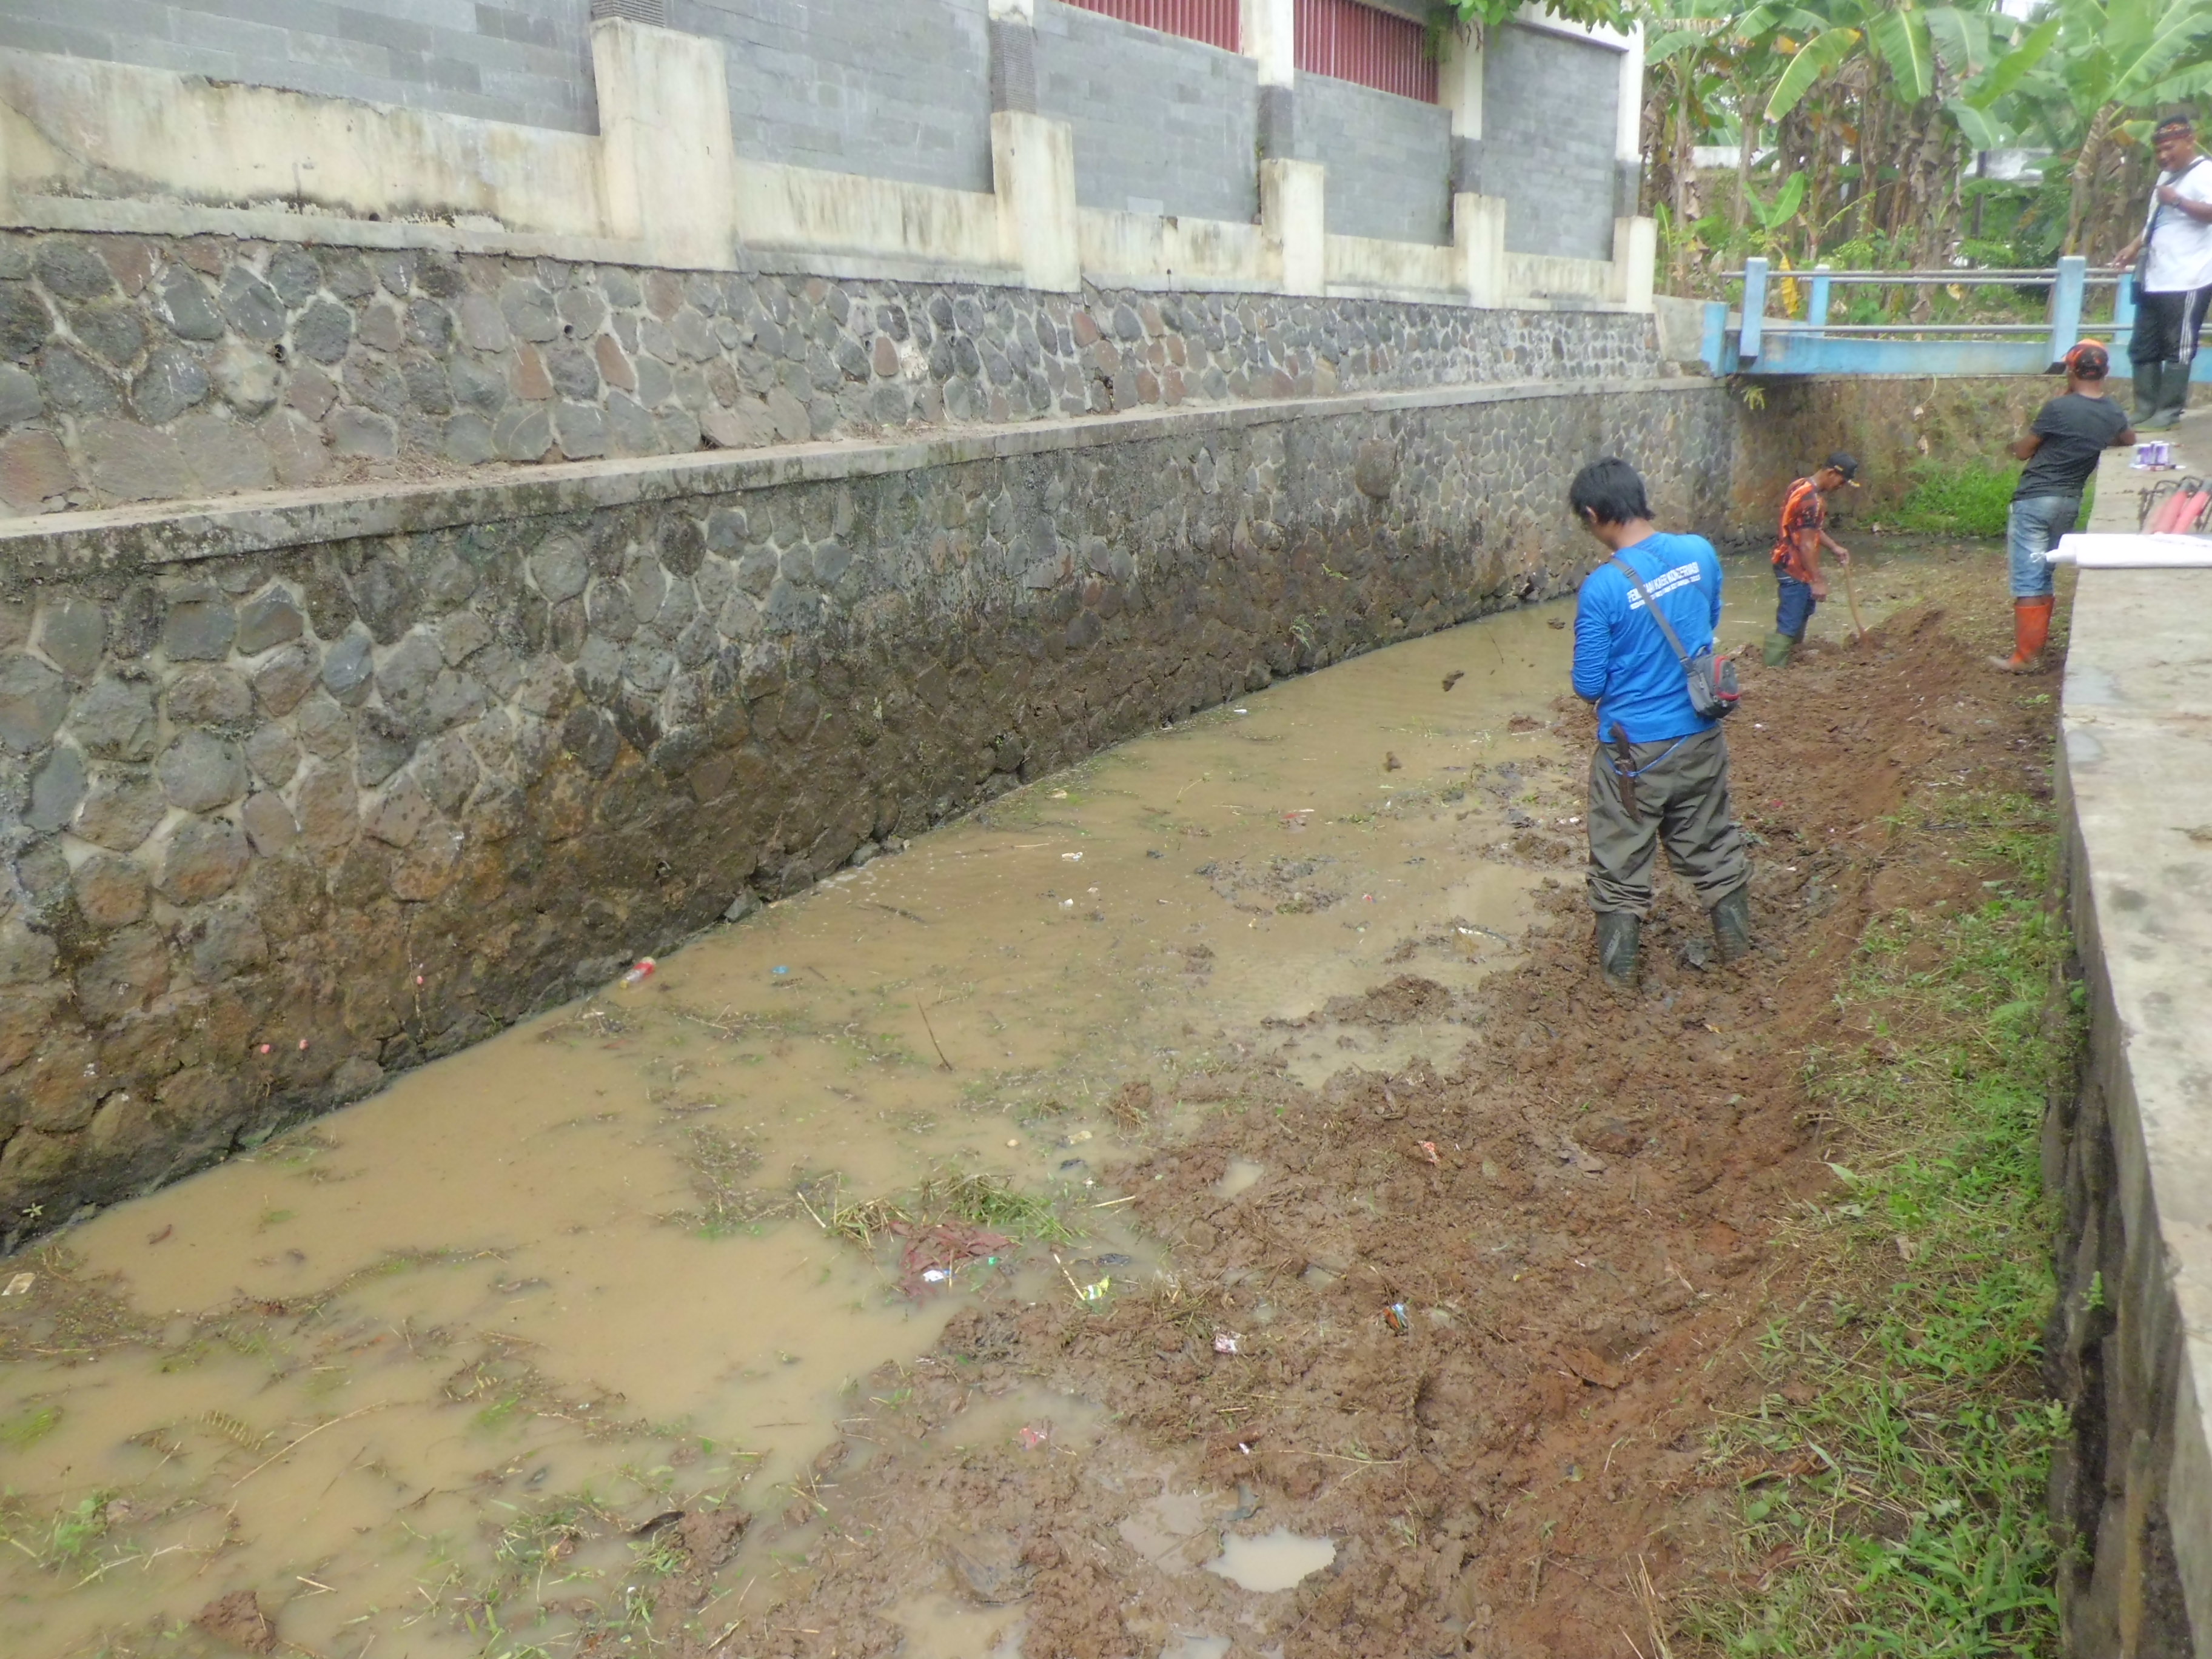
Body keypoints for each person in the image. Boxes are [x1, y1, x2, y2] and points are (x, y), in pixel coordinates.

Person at [1569, 457, 1752, 991]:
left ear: (1593, 515)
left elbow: (1588, 684)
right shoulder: (1699, 552)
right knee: (1712, 845)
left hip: (1634, 755)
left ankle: (1618, 985)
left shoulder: (1603, 587)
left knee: (1620, 862)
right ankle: (1740, 956)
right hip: (1702, 735)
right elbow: (1708, 622)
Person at [1994, 339, 2135, 673]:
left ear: (2071, 370)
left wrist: (2011, 446)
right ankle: (2034, 650)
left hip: (2035, 500)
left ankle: (2026, 657)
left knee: (2029, 578)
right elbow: (2128, 440)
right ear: (2106, 372)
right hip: (2070, 501)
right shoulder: (2113, 412)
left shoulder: (2058, 408)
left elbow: (2024, 451)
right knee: (2045, 571)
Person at [2115, 115, 2212, 432]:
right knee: (2142, 346)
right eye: (2158, 150)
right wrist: (2133, 247)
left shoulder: (2205, 173)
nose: (2163, 156)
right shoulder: (2165, 176)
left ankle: (2168, 413)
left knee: (2178, 348)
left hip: (2188, 277)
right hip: (2155, 277)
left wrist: (2179, 201)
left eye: (2169, 148)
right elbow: (2154, 223)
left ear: (2190, 141)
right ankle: (2144, 408)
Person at [1765, 453, 1858, 667]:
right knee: (1790, 619)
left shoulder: (1799, 486)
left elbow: (1810, 528)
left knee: (1801, 612)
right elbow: (1806, 544)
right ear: (1831, 473)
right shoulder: (1812, 502)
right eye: (1841, 482)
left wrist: (1833, 547)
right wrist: (1817, 580)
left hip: (1784, 560)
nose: (1840, 487)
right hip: (1795, 567)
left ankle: (1791, 658)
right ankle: (1773, 668)